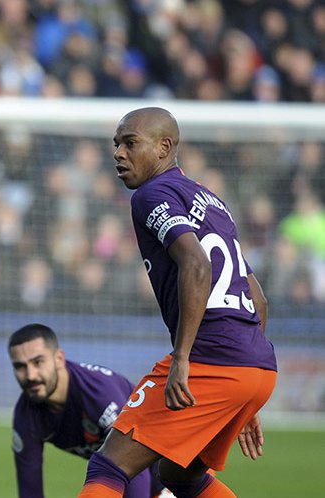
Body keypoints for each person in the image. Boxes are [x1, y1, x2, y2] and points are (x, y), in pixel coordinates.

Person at [79, 107, 277, 498]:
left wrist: (183, 358)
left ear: (164, 147)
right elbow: (257, 296)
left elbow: (196, 263)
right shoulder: (212, 201)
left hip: (211, 357)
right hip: (257, 367)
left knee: (109, 464)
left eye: (130, 143)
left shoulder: (152, 194)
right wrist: (247, 388)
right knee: (180, 475)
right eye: (116, 144)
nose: (118, 153)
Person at [8, 323, 164, 498]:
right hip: (122, 480)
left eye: (38, 362)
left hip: (173, 469)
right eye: (20, 366)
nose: (30, 375)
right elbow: (30, 489)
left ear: (59, 358)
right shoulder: (26, 417)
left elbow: (133, 463)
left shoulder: (98, 391)